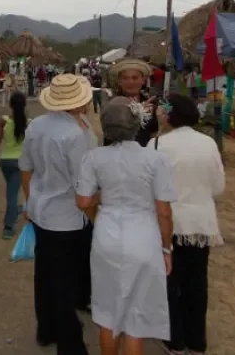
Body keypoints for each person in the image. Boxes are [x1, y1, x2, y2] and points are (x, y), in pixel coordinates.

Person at [75, 97, 177, 355]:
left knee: (108, 313)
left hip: (106, 235)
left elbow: (83, 200)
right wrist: (167, 249)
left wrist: (103, 205)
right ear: (137, 124)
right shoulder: (156, 160)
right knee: (136, 317)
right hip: (144, 236)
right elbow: (164, 212)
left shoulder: (93, 157)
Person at [19, 74, 97, 355]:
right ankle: (70, 343)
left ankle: (47, 328)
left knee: (46, 274)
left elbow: (25, 168)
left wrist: (31, 201)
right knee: (65, 280)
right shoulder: (75, 134)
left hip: (43, 212)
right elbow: (83, 185)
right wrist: (95, 215)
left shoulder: (38, 125)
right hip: (68, 217)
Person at [152, 94, 225, 355]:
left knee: (171, 283)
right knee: (197, 282)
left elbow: (149, 189)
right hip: (200, 224)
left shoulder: (157, 144)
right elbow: (218, 186)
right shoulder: (208, 143)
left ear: (169, 115)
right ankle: (197, 341)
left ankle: (175, 340)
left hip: (168, 225)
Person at [0, 91, 29, 240]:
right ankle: (9, 225)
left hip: (5, 161)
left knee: (11, 190)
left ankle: (13, 213)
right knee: (12, 193)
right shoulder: (29, 123)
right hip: (21, 161)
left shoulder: (5, 121)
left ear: (10, 105)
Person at [108, 59, 159, 147]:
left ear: (143, 80)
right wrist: (139, 114)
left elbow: (154, 134)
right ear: (119, 81)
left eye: (135, 78)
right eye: (125, 78)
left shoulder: (152, 103)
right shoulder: (112, 105)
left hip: (145, 156)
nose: (130, 82)